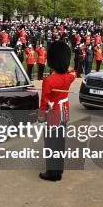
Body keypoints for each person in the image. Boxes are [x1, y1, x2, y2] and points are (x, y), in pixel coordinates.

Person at [38, 41, 76, 182]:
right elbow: (73, 70)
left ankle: (51, 173)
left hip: (53, 114)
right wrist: (65, 66)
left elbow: (44, 102)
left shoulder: (49, 81)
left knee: (51, 143)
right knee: (60, 143)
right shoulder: (69, 77)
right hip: (64, 114)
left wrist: (41, 117)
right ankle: (59, 171)